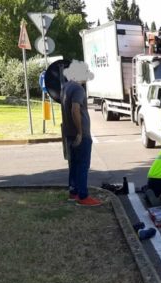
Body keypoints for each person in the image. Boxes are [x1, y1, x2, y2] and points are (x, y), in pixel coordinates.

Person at [61, 61, 101, 206]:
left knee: (74, 164)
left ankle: (73, 192)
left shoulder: (65, 87)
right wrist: (80, 132)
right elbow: (75, 109)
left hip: (68, 132)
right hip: (80, 134)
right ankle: (83, 196)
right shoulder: (78, 89)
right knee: (83, 164)